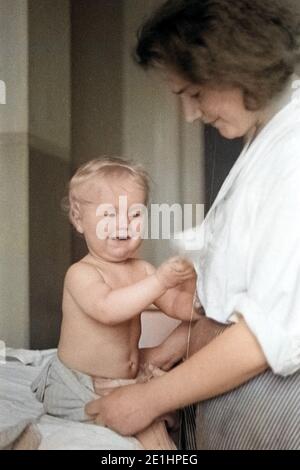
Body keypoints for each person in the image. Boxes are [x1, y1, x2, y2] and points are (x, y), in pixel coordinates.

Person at [85, 0, 300, 450]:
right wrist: (170, 350)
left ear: (240, 67)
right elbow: (236, 293)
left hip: (268, 400)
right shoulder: (266, 137)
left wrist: (148, 400)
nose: (189, 114)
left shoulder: (293, 152)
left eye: (195, 94)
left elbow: (266, 335)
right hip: (223, 392)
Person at [31, 156, 199, 450]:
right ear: (78, 218)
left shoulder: (142, 269)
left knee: (194, 334)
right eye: (109, 214)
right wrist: (160, 281)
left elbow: (177, 307)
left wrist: (195, 290)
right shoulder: (81, 273)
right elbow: (107, 309)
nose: (123, 224)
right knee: (149, 429)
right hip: (80, 383)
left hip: (125, 373)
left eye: (134, 214)